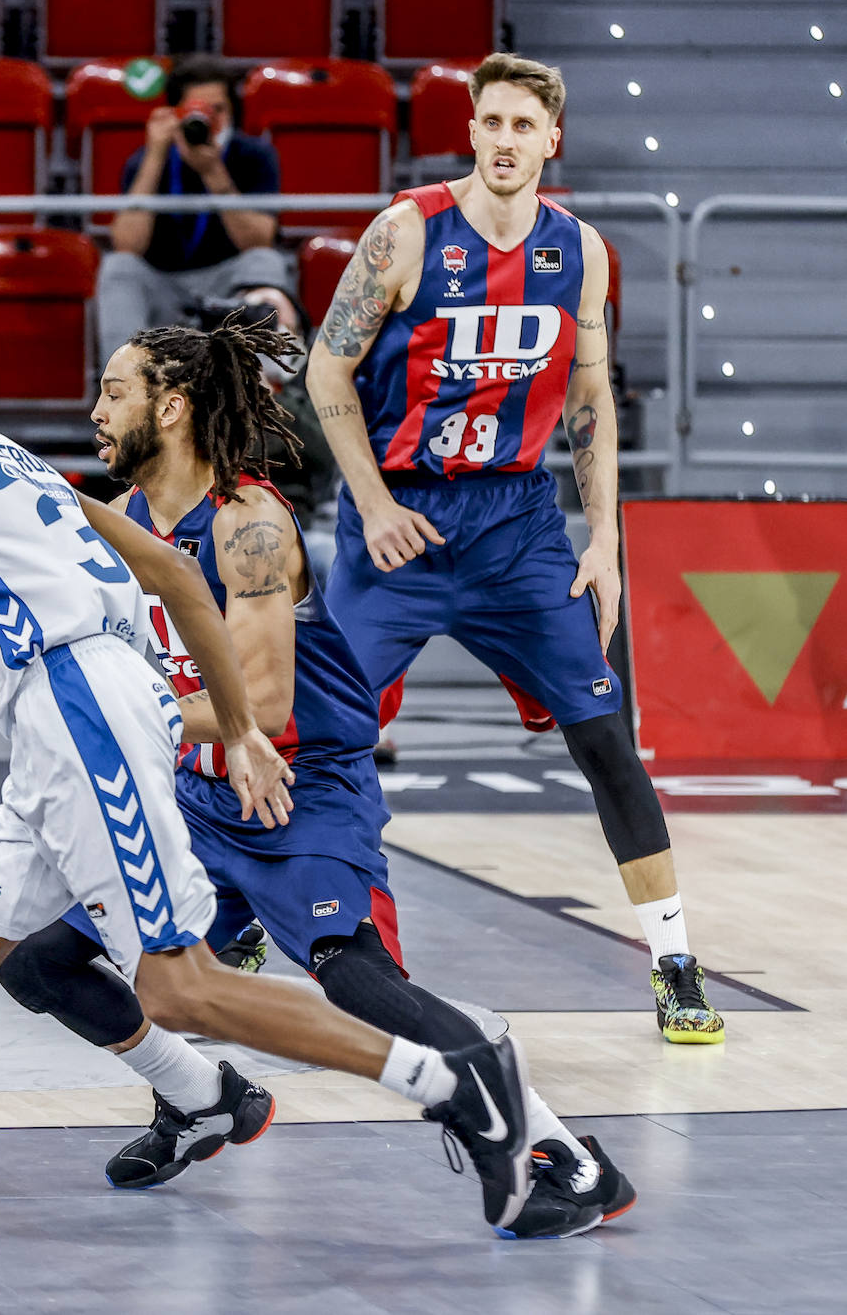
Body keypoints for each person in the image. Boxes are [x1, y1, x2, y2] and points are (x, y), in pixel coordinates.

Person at [0, 307, 533, 1315]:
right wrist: (238, 723)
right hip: (57, 726)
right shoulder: (14, 462)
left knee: (182, 985)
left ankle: (450, 1080)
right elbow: (169, 574)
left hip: (81, 706)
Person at [0, 318, 635, 1241]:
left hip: (302, 791)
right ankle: (201, 1097)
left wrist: (116, 716)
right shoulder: (133, 522)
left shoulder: (248, 524)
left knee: (356, 981)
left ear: (171, 408)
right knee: (38, 964)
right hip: (202, 805)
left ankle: (565, 1156)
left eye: (114, 392)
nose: (96, 412)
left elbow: (258, 699)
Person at [304, 53, 724, 1043]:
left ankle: (674, 963)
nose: (502, 140)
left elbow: (589, 398)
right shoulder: (405, 231)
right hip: (399, 522)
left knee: (605, 739)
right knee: (317, 732)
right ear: (473, 130)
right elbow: (327, 374)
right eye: (488, 122)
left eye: (520, 126)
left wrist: (605, 544)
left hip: (516, 526)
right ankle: (257, 925)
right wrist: (368, 504)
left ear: (551, 140)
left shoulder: (581, 253)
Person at [97, 55, 293, 364]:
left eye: (218, 110)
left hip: (228, 286)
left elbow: (258, 240)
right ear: (176, 113)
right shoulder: (146, 160)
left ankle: (264, 388)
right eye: (197, 110)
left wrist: (214, 174)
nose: (209, 119)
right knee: (118, 268)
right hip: (165, 285)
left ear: (232, 112)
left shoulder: (255, 155)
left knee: (265, 261)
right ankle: (125, 389)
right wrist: (155, 156)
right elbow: (127, 244)